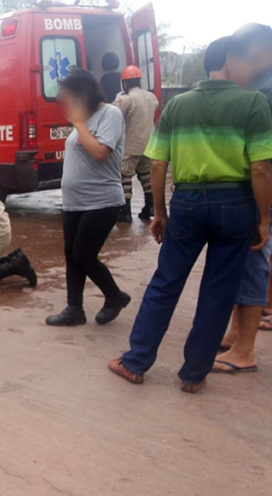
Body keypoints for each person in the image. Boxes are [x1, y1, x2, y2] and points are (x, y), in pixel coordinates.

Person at [108, 34, 272, 393]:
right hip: (236, 204)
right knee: (218, 289)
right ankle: (194, 374)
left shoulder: (178, 105)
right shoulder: (253, 103)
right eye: (247, 62)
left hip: (187, 204)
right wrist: (263, 219)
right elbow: (261, 168)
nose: (253, 69)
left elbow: (157, 163)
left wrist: (160, 212)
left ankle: (135, 362)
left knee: (166, 282)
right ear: (228, 62)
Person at [44, 69, 129, 327]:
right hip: (74, 202)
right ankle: (74, 309)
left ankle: (114, 296)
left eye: (71, 98)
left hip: (101, 200)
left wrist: (79, 124)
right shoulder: (85, 118)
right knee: (72, 255)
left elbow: (101, 153)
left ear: (84, 94)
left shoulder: (110, 114)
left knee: (83, 255)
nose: (67, 105)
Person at [212, 24, 272, 375]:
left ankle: (244, 350)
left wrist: (262, 216)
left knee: (252, 261)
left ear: (254, 55)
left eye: (231, 61)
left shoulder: (263, 95)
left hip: (261, 194)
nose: (228, 70)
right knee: (248, 260)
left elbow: (260, 163)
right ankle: (237, 334)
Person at [113, 65, 159, 222]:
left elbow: (114, 113)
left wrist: (118, 97)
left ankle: (125, 212)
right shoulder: (151, 97)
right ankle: (150, 207)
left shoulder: (126, 99)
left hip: (131, 145)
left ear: (124, 83)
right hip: (149, 144)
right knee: (146, 175)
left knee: (125, 176)